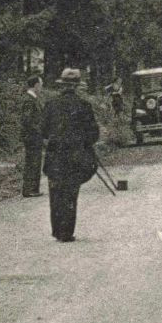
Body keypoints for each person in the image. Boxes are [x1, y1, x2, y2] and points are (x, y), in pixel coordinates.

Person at [41, 67, 100, 242]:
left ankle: (57, 230)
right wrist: (84, 143)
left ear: (61, 85)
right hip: (75, 157)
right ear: (76, 86)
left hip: (55, 157)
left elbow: (42, 131)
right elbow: (94, 134)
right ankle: (67, 232)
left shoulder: (50, 105)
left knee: (55, 193)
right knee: (70, 194)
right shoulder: (84, 106)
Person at [19, 74, 45, 198]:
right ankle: (30, 189)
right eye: (41, 85)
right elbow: (27, 120)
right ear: (36, 85)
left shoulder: (32, 99)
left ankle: (33, 188)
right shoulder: (29, 100)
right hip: (32, 137)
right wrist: (39, 130)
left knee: (35, 161)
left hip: (34, 136)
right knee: (33, 162)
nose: (41, 88)